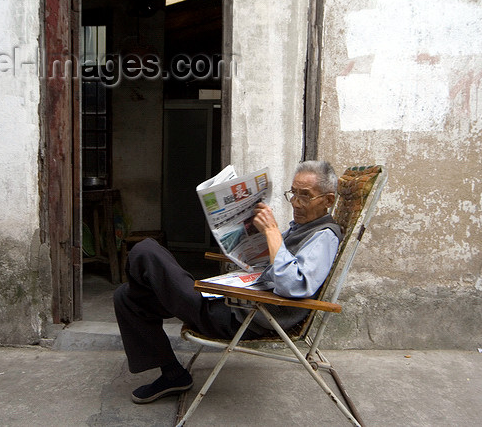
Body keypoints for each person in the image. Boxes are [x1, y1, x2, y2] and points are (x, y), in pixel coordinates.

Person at [113, 160, 343, 404]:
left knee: (145, 250)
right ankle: (172, 373)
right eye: (293, 193)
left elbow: (293, 285)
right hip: (236, 298)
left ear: (328, 200)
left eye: (305, 196)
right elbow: (271, 264)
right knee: (125, 297)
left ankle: (148, 302)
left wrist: (273, 232)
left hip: (242, 315)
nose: (296, 202)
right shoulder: (301, 228)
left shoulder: (324, 237)